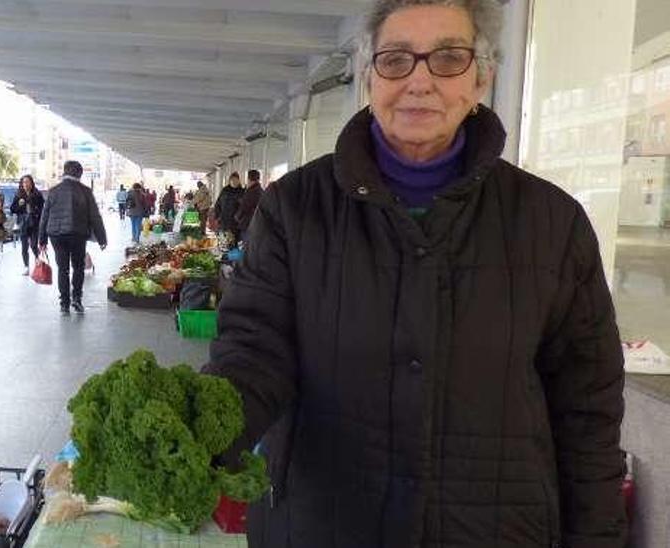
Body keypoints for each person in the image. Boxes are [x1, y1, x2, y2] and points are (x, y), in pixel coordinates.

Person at [203, 1, 627, 546]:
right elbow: (253, 352)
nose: (420, 81)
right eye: (396, 60)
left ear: (482, 76)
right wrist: (201, 428)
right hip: (324, 523)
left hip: (495, 530)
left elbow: (587, 408)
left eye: (449, 58)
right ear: (368, 78)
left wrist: (597, 536)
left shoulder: (551, 221)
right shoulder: (296, 207)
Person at [38, 161, 107, 315]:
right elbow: (95, 217)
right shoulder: (86, 191)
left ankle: (64, 303)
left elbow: (44, 216)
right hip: (77, 234)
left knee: (62, 269)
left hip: (56, 235)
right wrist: (102, 239)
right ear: (80, 174)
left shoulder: (53, 191)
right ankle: (76, 298)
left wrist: (41, 240)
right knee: (78, 267)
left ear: (64, 172)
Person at [9, 175, 44, 275]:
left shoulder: (37, 194)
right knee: (24, 246)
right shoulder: (19, 195)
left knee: (33, 244)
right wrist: (19, 205)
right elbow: (12, 209)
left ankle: (37, 258)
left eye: (27, 182)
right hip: (23, 223)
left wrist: (37, 211)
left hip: (34, 223)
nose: (25, 184)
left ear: (31, 183)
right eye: (24, 182)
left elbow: (43, 208)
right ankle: (26, 266)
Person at [210, 172, 246, 243]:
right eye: (232, 180)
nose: (234, 182)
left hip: (235, 224)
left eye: (236, 180)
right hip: (223, 222)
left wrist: (238, 219)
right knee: (222, 241)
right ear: (229, 180)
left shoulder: (242, 192)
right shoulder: (224, 190)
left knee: (233, 242)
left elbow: (243, 208)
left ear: (239, 181)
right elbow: (218, 204)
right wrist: (217, 217)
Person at [232, 169, 263, 248]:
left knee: (244, 246)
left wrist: (237, 217)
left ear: (249, 179)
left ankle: (243, 260)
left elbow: (244, 207)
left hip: (247, 224)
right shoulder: (261, 191)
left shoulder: (251, 191)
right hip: (256, 224)